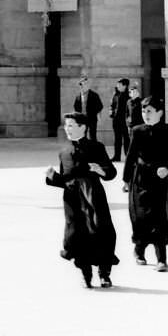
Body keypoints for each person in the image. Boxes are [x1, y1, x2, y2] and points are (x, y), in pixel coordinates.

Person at [45, 112, 119, 288]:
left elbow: (111, 172)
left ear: (83, 127)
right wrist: (52, 177)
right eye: (66, 125)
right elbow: (65, 180)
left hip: (94, 196)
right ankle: (86, 274)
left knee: (101, 232)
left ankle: (104, 274)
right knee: (77, 235)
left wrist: (100, 170)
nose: (67, 129)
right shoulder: (64, 151)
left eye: (71, 125)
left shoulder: (96, 147)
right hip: (72, 200)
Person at [122, 95, 168, 271]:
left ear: (160, 113)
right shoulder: (137, 130)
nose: (145, 114)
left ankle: (161, 259)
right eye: (143, 110)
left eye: (149, 111)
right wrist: (126, 180)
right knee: (140, 216)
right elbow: (130, 157)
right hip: (140, 179)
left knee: (160, 217)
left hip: (162, 179)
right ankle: (139, 249)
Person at [73, 74, 103, 141]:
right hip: (82, 119)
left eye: (84, 84)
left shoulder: (94, 95)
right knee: (82, 135)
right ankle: (84, 150)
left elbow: (100, 106)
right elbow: (76, 107)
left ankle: (93, 150)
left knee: (93, 135)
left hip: (92, 118)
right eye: (81, 85)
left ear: (87, 85)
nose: (82, 86)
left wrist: (95, 113)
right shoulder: (78, 96)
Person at [109, 77, 130, 161]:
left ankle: (127, 156)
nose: (117, 86)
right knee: (117, 139)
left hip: (125, 121)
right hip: (116, 120)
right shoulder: (116, 94)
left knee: (126, 139)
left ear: (125, 86)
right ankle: (116, 156)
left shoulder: (129, 95)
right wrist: (111, 111)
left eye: (119, 84)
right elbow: (112, 105)